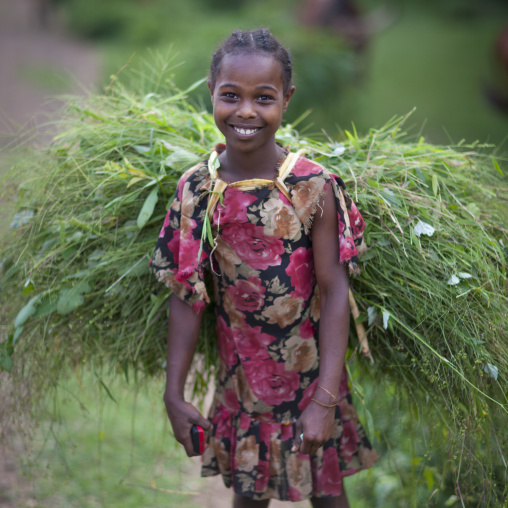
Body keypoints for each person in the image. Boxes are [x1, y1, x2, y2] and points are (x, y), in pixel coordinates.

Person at [150, 29, 378, 508]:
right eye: (230, 96)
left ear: (286, 100)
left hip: (312, 383)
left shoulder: (311, 187)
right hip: (241, 389)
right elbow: (187, 295)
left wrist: (325, 401)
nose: (246, 111)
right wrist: (174, 393)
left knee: (329, 497)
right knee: (249, 497)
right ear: (210, 90)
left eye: (264, 98)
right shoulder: (196, 190)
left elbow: (336, 291)